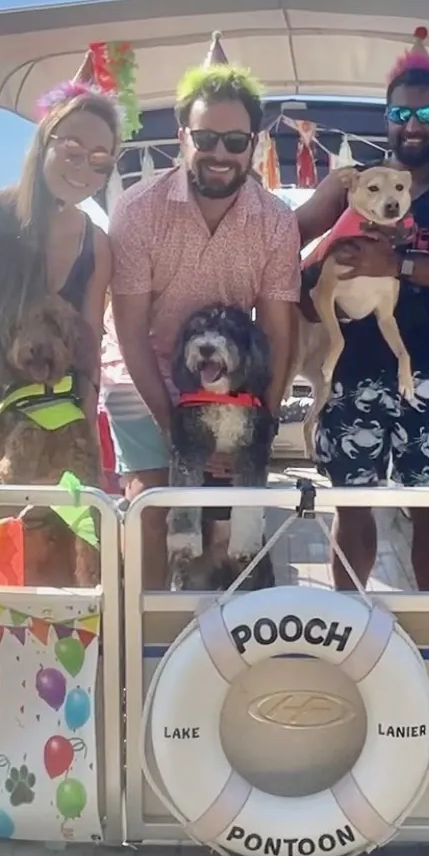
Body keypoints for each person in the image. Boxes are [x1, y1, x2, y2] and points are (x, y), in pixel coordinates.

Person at [295, 29, 429, 591]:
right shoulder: (354, 182)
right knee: (351, 507)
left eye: (427, 113)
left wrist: (399, 264)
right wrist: (308, 287)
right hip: (350, 369)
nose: (413, 124)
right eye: (400, 113)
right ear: (385, 118)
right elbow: (283, 237)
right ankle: (348, 621)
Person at [108, 41, 302, 587]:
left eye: (235, 141)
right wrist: (176, 427)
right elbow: (129, 333)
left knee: (227, 521)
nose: (220, 153)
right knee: (151, 505)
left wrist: (260, 420)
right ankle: (145, 627)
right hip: (142, 372)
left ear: (253, 146)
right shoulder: (137, 211)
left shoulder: (276, 222)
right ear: (182, 137)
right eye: (206, 138)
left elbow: (279, 334)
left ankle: (224, 619)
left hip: (232, 379)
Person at [0, 70, 117, 578]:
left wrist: (88, 452)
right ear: (44, 141)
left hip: (59, 418)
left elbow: (88, 358)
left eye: (101, 159)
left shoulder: (96, 244)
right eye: (72, 149)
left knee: (57, 568)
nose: (84, 168)